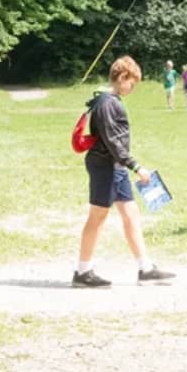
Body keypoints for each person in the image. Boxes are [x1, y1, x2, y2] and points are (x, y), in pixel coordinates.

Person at [75, 56, 175, 288]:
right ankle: (83, 271)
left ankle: (145, 269)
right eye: (132, 83)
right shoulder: (107, 104)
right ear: (122, 77)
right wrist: (136, 167)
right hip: (105, 167)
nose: (133, 88)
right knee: (97, 217)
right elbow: (113, 142)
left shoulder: (109, 101)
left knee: (131, 214)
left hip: (115, 167)